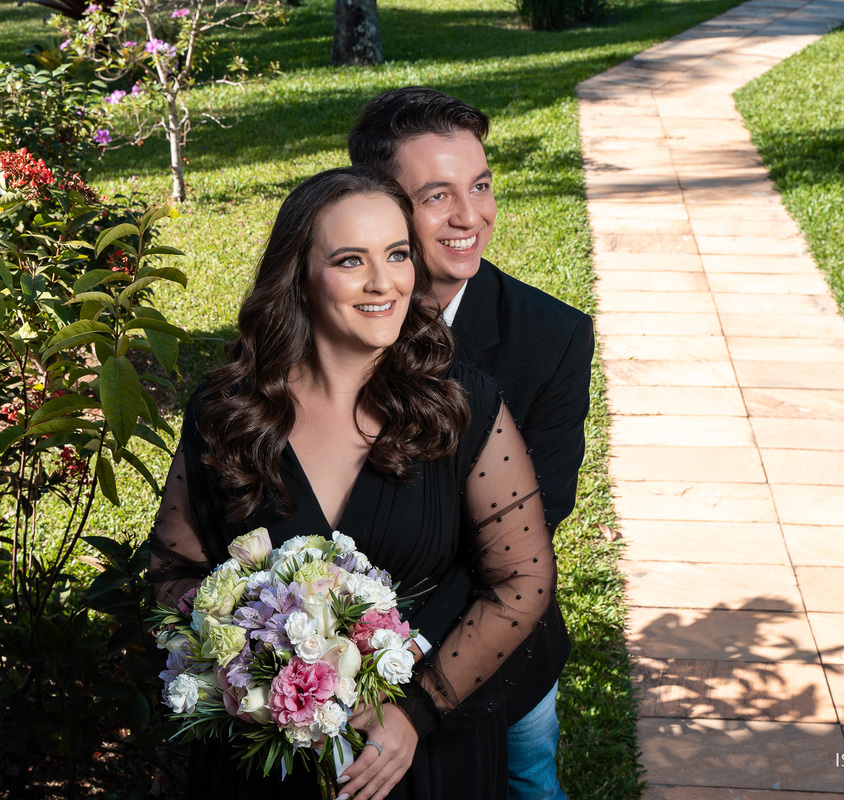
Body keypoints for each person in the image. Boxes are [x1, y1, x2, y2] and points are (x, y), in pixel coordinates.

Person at [147, 167, 556, 800]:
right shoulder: (226, 414)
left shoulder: (461, 404)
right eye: (349, 260)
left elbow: (522, 580)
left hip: (422, 760)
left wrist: (414, 711)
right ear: (299, 278)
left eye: (397, 254)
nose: (383, 282)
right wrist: (253, 663)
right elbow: (174, 567)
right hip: (265, 768)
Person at [349, 88, 595, 800]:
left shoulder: (550, 339)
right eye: (437, 195)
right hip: (338, 647)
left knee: (527, 782)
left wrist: (402, 657)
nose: (470, 217)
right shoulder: (333, 321)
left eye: (480, 186)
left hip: (500, 646)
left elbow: (535, 523)